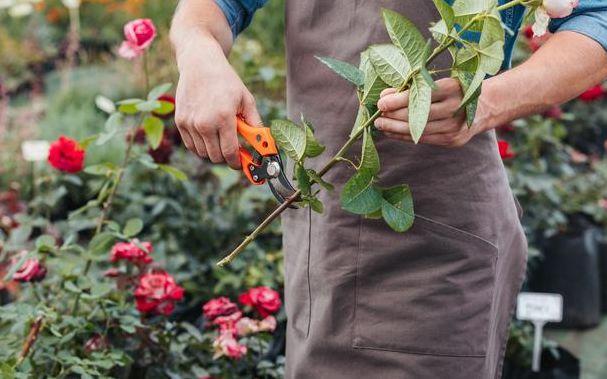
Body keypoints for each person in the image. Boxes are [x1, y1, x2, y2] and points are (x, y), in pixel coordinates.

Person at [170, 1, 607, 378]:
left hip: (434, 250)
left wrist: (486, 102)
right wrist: (198, 51)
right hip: (324, 236)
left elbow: (596, 16)